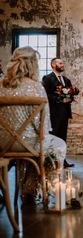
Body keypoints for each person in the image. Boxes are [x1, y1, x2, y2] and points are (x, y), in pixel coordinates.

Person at [0, 46, 67, 202]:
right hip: (28, 144)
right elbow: (42, 128)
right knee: (56, 144)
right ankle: (29, 189)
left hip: (1, 143)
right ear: (33, 64)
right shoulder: (37, 88)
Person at [42, 58, 75, 168]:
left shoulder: (66, 79)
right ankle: (51, 161)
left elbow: (70, 94)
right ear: (53, 65)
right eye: (60, 63)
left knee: (62, 137)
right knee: (53, 137)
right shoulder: (47, 78)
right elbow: (45, 95)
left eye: (62, 63)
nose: (62, 64)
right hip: (53, 113)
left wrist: (69, 96)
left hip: (65, 112)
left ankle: (62, 160)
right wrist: (58, 98)